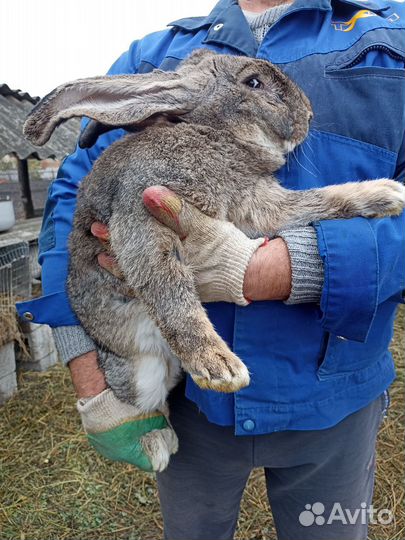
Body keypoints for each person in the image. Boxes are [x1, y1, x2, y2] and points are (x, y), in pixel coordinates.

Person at [17, 0, 405, 538]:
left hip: (335, 398)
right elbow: (69, 203)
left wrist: (288, 267)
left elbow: (271, 207)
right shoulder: (155, 57)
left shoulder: (392, 34)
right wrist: (89, 372)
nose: (305, 112)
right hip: (190, 405)